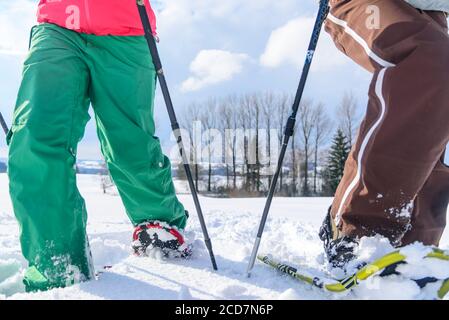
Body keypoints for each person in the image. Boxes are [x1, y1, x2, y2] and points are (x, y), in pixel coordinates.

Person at [7, 0, 190, 292]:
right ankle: (57, 260)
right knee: (33, 137)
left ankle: (159, 223)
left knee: (128, 143)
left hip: (126, 28)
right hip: (57, 25)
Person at [320, 0, 449, 267]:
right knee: (430, 61)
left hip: (433, 9)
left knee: (438, 91)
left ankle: (416, 249)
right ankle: (357, 233)